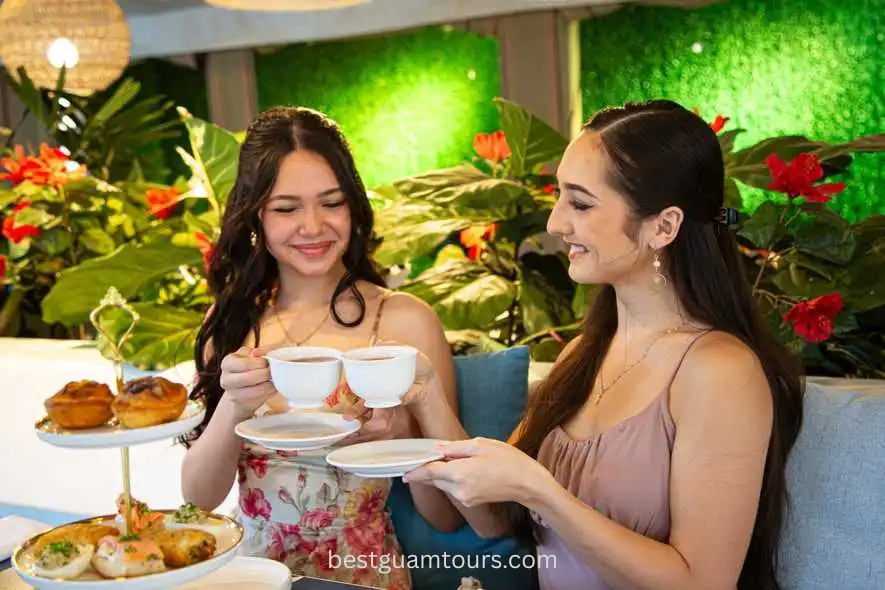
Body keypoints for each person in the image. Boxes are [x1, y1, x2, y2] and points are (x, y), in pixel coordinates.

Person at [392, 99, 805, 590]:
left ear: (664, 226)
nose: (555, 223)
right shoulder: (583, 355)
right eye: (560, 196)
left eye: (580, 203)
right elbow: (495, 519)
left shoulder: (719, 370)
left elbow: (703, 583)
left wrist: (542, 492)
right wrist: (426, 396)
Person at [180, 106, 463, 589]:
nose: (312, 227)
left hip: (360, 576)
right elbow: (198, 502)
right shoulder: (231, 324)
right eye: (287, 209)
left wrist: (403, 444)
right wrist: (233, 407)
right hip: (248, 574)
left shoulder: (402, 321)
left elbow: (447, 518)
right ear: (256, 217)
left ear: (353, 207)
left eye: (331, 203)